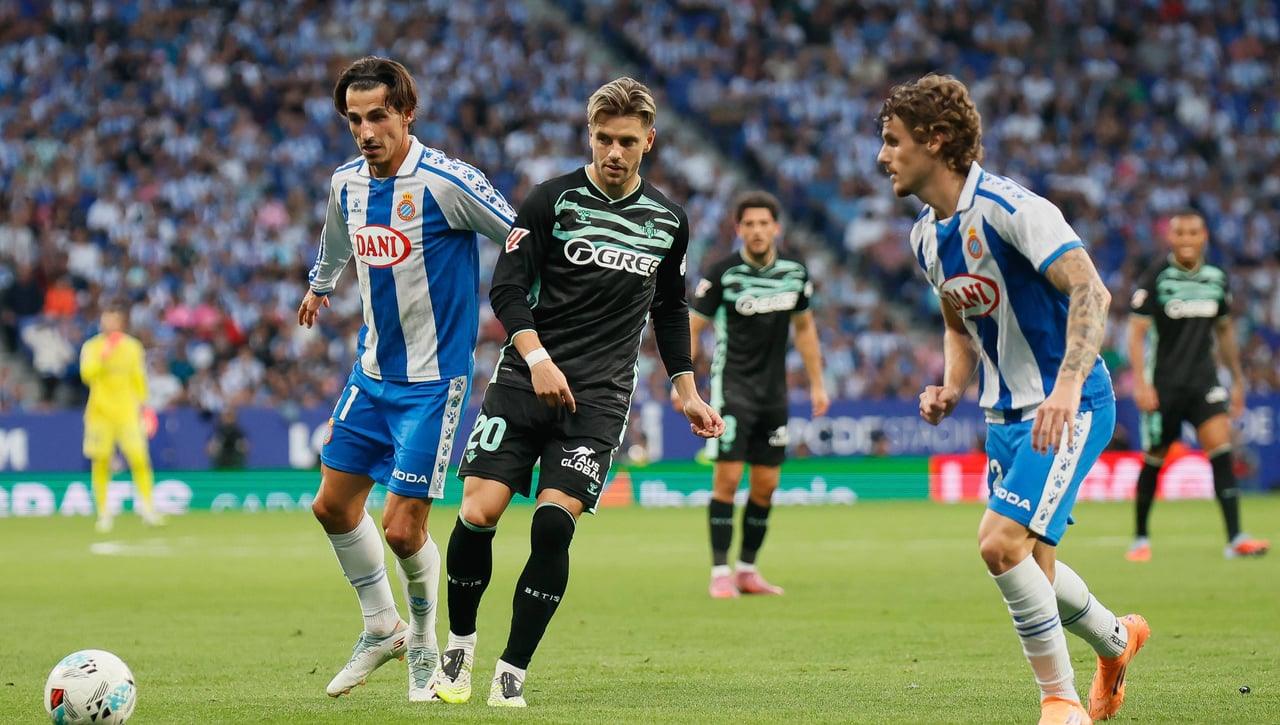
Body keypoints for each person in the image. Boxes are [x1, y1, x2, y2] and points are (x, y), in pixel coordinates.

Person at [432, 77, 724, 708]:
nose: (613, 152)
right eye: (602, 139)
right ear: (588, 137)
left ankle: (512, 670)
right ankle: (459, 644)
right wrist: (535, 357)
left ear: (648, 141)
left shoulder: (669, 223)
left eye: (626, 140)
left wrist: (686, 389)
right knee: (479, 512)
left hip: (599, 399)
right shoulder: (550, 201)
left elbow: (670, 309)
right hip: (521, 381)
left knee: (552, 528)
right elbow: (508, 288)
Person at [877, 73, 1149, 725]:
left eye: (892, 141)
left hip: (1071, 403)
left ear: (936, 141)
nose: (882, 156)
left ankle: (1058, 702)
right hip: (1005, 415)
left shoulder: (1012, 209)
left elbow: (1093, 293)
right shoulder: (924, 237)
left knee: (1001, 544)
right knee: (1037, 565)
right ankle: (1117, 641)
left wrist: (1062, 388)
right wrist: (950, 385)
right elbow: (956, 323)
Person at [297, 56, 515, 703]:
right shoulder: (346, 184)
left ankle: (422, 635)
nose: (367, 131)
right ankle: (381, 626)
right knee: (331, 506)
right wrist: (319, 287)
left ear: (406, 113)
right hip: (372, 374)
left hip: (433, 383)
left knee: (400, 527)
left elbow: (518, 236)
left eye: (378, 116)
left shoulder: (448, 182)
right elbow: (336, 239)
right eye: (355, 119)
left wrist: (533, 321)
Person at [680, 190, 828, 598]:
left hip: (774, 394)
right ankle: (718, 572)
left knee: (766, 486)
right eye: (750, 224)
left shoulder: (795, 274)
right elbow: (693, 329)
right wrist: (686, 385)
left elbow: (805, 329)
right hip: (733, 392)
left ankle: (746, 569)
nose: (758, 230)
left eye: (765, 223)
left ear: (776, 228)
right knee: (727, 480)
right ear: (738, 229)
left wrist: (817, 382)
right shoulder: (723, 274)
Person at [1125, 210, 1269, 561]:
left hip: (1205, 382)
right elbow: (1136, 332)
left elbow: (1224, 333)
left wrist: (1236, 380)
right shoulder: (1157, 276)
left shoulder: (1217, 279)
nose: (1187, 239)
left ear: (1204, 236)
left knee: (1222, 452)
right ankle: (1141, 538)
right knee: (1154, 459)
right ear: (1170, 238)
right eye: (1180, 234)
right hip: (1166, 386)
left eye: (1193, 233)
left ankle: (1235, 538)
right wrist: (1141, 384)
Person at [80, 304, 161, 532]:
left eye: (114, 320)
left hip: (127, 413)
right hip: (99, 413)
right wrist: (104, 356)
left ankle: (147, 509)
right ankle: (104, 513)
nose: (109, 324)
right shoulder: (92, 346)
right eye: (106, 320)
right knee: (101, 461)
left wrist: (144, 407)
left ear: (122, 323)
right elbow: (86, 375)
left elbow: (138, 378)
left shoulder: (133, 347)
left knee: (139, 459)